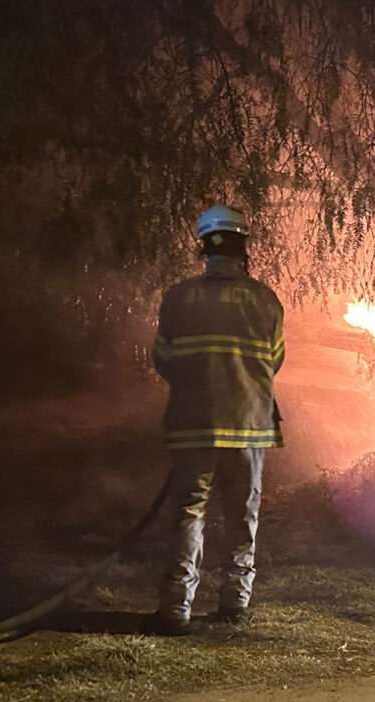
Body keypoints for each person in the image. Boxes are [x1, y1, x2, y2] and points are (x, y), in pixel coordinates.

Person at [146, 204, 285, 636]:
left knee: (189, 514)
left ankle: (175, 609)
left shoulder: (179, 298)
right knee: (243, 514)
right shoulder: (265, 300)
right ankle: (235, 601)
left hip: (194, 425)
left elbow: (163, 360)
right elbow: (275, 361)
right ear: (243, 247)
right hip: (249, 426)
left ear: (204, 246)